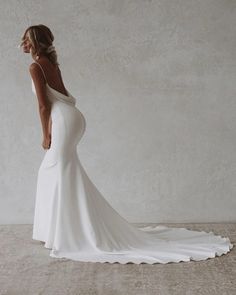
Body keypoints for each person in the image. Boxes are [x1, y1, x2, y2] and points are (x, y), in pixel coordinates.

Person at [19, 24, 233, 264]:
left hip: (61, 120)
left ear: (36, 43)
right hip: (72, 117)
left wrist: (45, 133)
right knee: (61, 171)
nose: (23, 45)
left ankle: (66, 232)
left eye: (27, 40)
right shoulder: (52, 64)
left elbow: (43, 105)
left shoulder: (35, 66)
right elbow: (62, 95)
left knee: (58, 170)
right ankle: (57, 231)